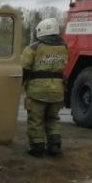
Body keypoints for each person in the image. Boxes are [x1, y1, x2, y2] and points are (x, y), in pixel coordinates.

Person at [21, 18, 68, 157]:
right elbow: (64, 64)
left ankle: (37, 147)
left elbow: (24, 68)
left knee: (36, 120)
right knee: (53, 118)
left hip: (37, 91)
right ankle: (54, 145)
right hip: (57, 90)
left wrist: (22, 84)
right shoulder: (64, 47)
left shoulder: (33, 48)